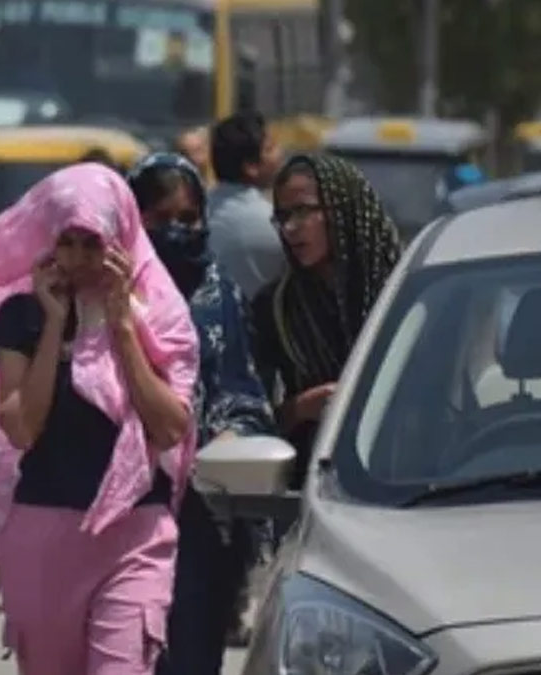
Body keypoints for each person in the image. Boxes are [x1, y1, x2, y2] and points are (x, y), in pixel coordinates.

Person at [0, 163, 200, 675]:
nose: (77, 261)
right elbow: (21, 427)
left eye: (92, 244)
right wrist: (54, 327)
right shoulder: (24, 316)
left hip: (135, 537)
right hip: (45, 540)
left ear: (119, 239)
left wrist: (122, 326)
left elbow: (169, 428)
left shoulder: (158, 316)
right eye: (66, 244)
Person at [125, 154, 275, 675]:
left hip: (199, 513)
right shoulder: (106, 294)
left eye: (188, 218)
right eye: (160, 219)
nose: (176, 231)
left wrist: (232, 431)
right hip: (119, 507)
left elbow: (240, 385)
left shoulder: (219, 293)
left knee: (190, 648)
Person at [253, 153, 402, 483]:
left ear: (342, 208)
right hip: (313, 482)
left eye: (304, 211)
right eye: (282, 216)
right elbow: (254, 420)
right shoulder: (277, 307)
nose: (290, 228)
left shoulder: (400, 296)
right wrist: (301, 408)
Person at [206, 112, 286, 301]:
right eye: (270, 148)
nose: (281, 153)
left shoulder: (198, 213)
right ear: (251, 167)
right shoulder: (275, 223)